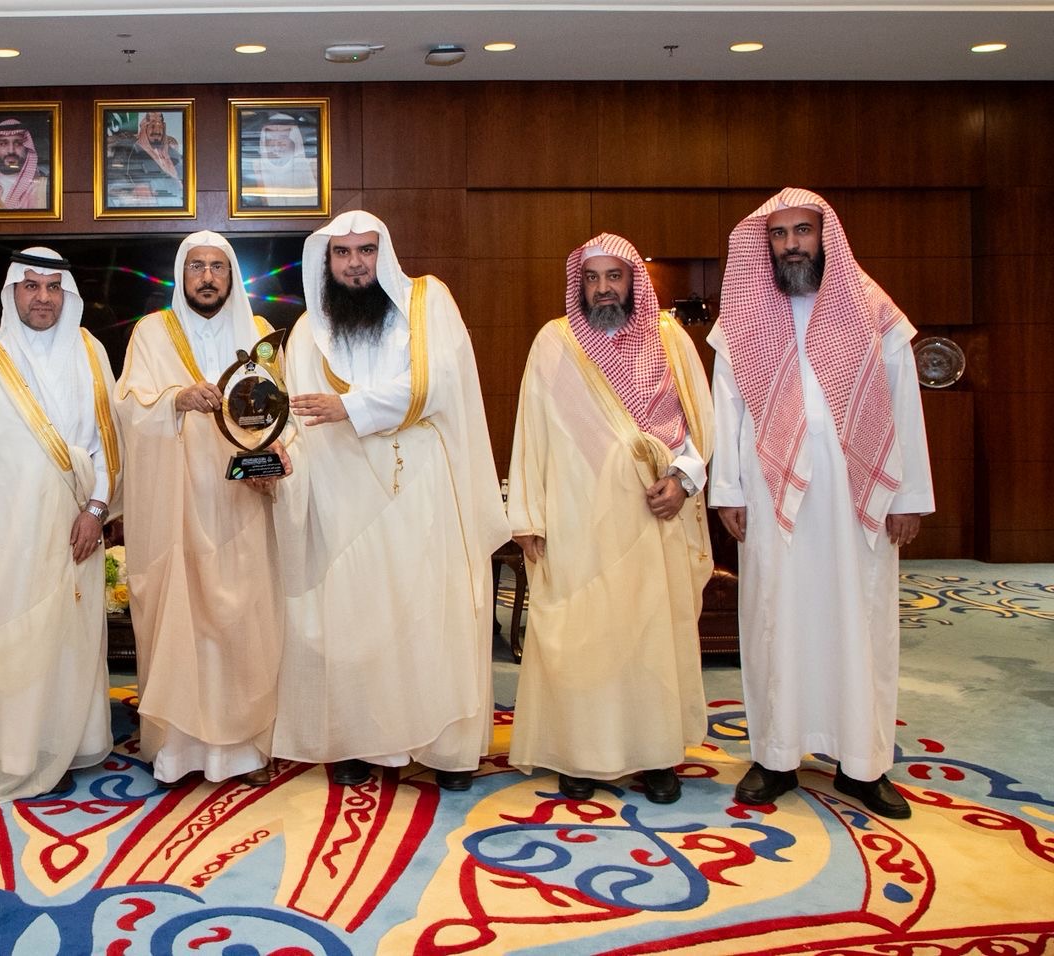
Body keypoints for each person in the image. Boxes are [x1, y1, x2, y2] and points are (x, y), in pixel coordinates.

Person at [711, 187, 934, 819]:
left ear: (824, 235)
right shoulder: (744, 315)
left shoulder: (872, 309)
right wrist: (728, 489)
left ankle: (862, 764)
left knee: (859, 619)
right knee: (774, 617)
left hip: (858, 494)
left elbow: (904, 402)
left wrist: (908, 495)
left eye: (802, 231)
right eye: (779, 235)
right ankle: (775, 755)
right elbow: (726, 407)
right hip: (769, 489)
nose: (791, 246)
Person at [270, 210, 509, 791]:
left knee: (428, 618)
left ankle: (445, 749)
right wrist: (276, 456)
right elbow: (296, 417)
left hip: (419, 490)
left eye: (366, 251)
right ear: (326, 262)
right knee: (357, 625)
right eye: (342, 253)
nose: (355, 264)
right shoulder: (306, 333)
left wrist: (351, 407)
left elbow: (437, 382)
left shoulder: (428, 303)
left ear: (385, 254)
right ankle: (360, 742)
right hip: (341, 498)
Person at [507, 233, 713, 804]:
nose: (603, 289)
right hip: (576, 517)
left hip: (654, 515)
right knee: (583, 634)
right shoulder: (554, 342)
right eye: (591, 278)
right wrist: (527, 515)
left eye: (614, 276)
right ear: (580, 284)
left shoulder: (670, 340)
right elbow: (531, 431)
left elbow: (700, 421)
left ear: (632, 281)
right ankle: (581, 753)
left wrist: (683, 480)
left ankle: (657, 755)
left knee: (652, 636)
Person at [0, 248, 120, 802]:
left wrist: (97, 510)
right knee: (9, 635)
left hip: (72, 527)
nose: (42, 297)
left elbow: (110, 443)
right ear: (12, 292)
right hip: (0, 529)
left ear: (67, 295)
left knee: (65, 640)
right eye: (31, 286)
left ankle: (63, 744)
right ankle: (9, 753)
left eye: (53, 287)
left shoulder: (90, 352)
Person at [116, 231, 287, 788]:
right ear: (181, 275)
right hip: (176, 506)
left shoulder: (259, 334)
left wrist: (278, 457)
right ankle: (176, 750)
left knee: (244, 620)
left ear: (231, 276)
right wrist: (175, 399)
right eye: (197, 267)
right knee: (179, 622)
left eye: (217, 266)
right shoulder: (151, 332)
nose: (207, 277)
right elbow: (127, 406)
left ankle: (244, 749)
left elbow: (282, 412)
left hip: (242, 505)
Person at [242, 112, 318, 208]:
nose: (276, 145)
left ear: (295, 141)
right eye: (271, 139)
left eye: (283, 138)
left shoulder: (312, 166)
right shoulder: (254, 168)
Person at [0, 117, 49, 211]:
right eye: (3, 143)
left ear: (27, 148)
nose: (11, 151)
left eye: (18, 143)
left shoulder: (46, 187)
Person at [116, 110, 184, 206]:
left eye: (160, 126)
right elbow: (125, 180)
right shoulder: (133, 153)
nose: (157, 131)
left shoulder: (172, 152)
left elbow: (186, 174)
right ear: (144, 128)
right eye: (152, 126)